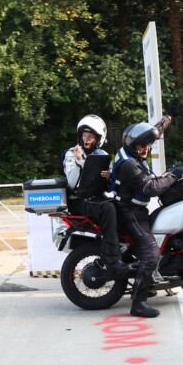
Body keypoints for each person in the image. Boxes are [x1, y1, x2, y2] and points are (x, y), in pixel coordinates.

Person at [114, 115, 179, 318]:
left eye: (148, 145)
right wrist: (173, 175)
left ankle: (149, 281)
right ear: (133, 144)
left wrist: (168, 118)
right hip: (130, 212)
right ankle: (138, 303)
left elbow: (153, 131)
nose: (146, 149)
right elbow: (150, 188)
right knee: (152, 253)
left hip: (137, 211)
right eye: (142, 146)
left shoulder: (131, 152)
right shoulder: (129, 164)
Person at [63, 114, 131, 275]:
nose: (86, 139)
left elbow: (108, 188)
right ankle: (113, 259)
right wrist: (80, 162)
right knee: (108, 208)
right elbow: (71, 184)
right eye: (84, 135)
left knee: (123, 205)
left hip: (96, 198)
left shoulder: (102, 155)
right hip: (78, 201)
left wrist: (108, 177)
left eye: (90, 136)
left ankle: (127, 250)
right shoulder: (71, 154)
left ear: (98, 139)